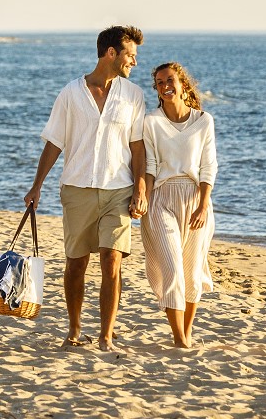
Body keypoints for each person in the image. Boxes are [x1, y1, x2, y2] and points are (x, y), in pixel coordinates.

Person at [24, 25, 149, 351]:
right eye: (130, 55)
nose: (133, 62)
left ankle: (107, 335)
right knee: (76, 262)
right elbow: (54, 143)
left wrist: (141, 189)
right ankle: (75, 329)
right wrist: (37, 185)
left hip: (118, 189)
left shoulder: (133, 96)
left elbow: (138, 148)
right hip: (77, 189)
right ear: (112, 53)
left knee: (112, 262)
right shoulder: (71, 93)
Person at [139, 62, 218, 348]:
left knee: (192, 270)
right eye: (159, 82)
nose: (165, 86)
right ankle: (179, 338)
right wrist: (143, 197)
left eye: (170, 80)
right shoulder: (152, 121)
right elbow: (149, 165)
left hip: (196, 200)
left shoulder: (203, 121)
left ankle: (187, 333)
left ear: (183, 84)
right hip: (161, 199)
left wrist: (203, 204)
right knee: (172, 268)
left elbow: (209, 166)